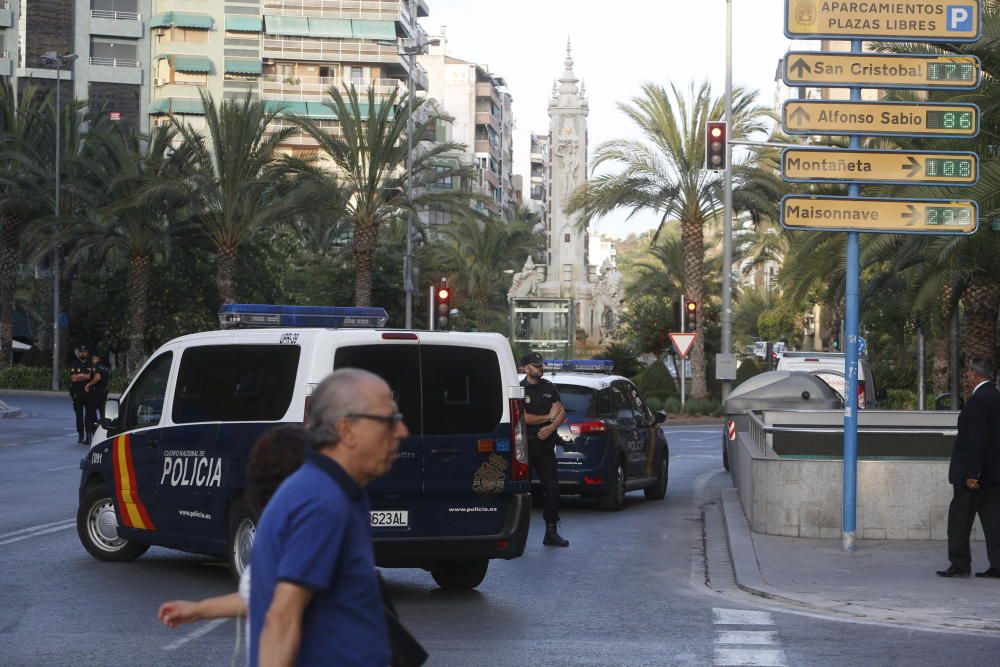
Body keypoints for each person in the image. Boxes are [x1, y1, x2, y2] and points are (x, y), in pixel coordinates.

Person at [249, 368, 408, 667]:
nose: (402, 432)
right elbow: (282, 619)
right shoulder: (321, 501)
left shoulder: (338, 491)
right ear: (346, 430)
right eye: (389, 421)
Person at [157, 425, 308, 630]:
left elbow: (279, 612)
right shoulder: (288, 531)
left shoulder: (306, 540)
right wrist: (197, 610)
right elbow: (256, 597)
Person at [937, 356, 1000, 578]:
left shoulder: (977, 401)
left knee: (959, 521)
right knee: (994, 522)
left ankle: (960, 564)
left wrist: (972, 475)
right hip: (993, 475)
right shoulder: (995, 397)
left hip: (973, 477)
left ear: (975, 374)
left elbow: (976, 440)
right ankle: (998, 565)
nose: (966, 376)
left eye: (968, 372)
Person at [520, 352, 569, 547]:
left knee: (552, 488)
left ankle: (551, 531)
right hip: (525, 447)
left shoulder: (549, 387)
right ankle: (518, 532)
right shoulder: (520, 389)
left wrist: (551, 427)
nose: (540, 367)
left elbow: (561, 411)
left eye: (541, 364)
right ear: (525, 368)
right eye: (535, 365)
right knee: (523, 490)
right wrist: (548, 417)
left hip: (545, 447)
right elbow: (522, 417)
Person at [83, 350, 111, 445]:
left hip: (95, 393)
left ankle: (89, 437)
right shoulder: (105, 368)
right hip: (103, 393)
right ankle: (103, 436)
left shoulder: (96, 367)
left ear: (96, 358)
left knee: (89, 415)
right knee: (103, 415)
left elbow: (97, 377)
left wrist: (88, 384)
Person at [67, 345, 92, 444]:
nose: (83, 354)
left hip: (88, 393)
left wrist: (80, 376)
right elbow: (73, 378)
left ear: (87, 353)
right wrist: (85, 376)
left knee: (88, 415)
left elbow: (92, 377)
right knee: (79, 415)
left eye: (84, 352)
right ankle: (81, 435)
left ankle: (88, 435)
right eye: (81, 352)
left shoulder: (90, 364)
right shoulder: (74, 363)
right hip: (77, 393)